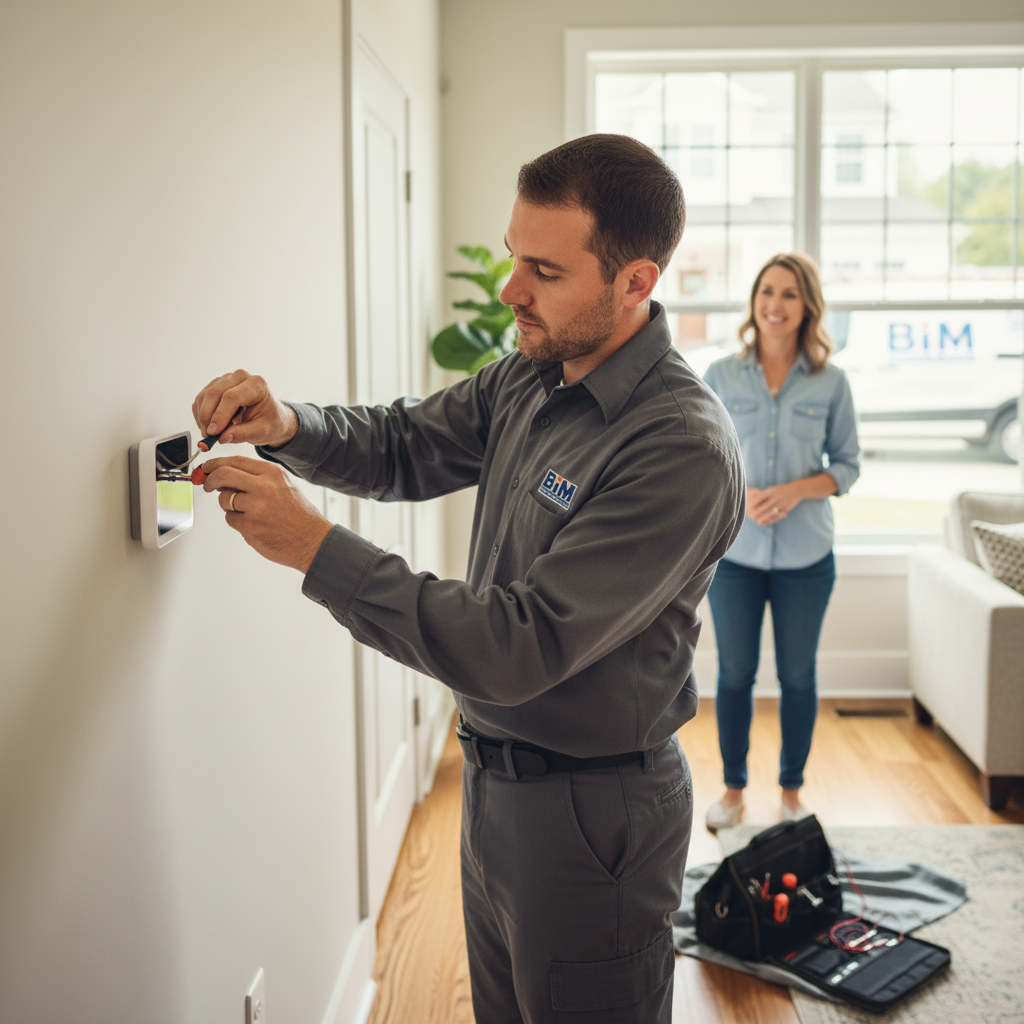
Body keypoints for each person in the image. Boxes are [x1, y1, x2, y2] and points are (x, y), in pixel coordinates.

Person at [192, 134, 745, 1024]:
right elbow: (407, 441)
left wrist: (311, 547)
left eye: (543, 271)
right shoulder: (534, 374)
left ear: (635, 282)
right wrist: (288, 423)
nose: (510, 291)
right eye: (510, 257)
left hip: (593, 817)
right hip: (495, 789)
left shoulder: (679, 446)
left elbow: (515, 646)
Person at [701, 252, 860, 833]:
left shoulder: (831, 381)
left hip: (806, 558)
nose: (775, 304)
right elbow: (699, 456)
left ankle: (792, 794)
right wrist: (740, 494)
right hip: (735, 556)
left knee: (798, 675)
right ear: (753, 301)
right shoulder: (719, 375)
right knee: (734, 674)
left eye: (789, 294)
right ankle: (733, 790)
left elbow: (847, 466)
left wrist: (793, 490)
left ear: (807, 306)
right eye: (767, 291)